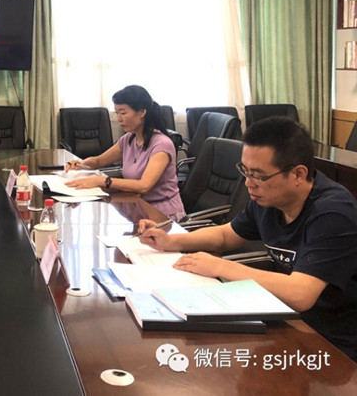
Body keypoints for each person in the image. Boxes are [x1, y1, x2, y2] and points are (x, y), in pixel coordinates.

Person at [138, 117, 357, 362]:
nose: (248, 183)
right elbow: (225, 235)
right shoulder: (268, 201)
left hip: (335, 341)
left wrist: (221, 267)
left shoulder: (333, 213)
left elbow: (301, 294)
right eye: (245, 171)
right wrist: (170, 241)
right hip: (286, 318)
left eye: (259, 175)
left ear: (298, 174)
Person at [64, 85, 185, 221]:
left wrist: (103, 181)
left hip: (163, 215)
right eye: (117, 113)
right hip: (136, 207)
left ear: (142, 112)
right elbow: (99, 161)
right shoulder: (128, 139)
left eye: (123, 112)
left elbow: (144, 186)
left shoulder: (162, 144)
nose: (119, 119)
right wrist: (81, 164)